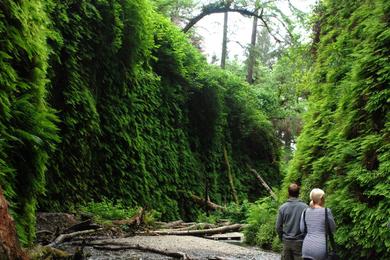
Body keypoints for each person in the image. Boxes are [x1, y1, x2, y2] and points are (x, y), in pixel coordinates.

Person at [300, 188, 336, 260]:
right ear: (321, 199)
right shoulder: (326, 211)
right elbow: (332, 228)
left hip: (306, 248)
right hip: (320, 249)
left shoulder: (305, 211)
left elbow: (302, 229)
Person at [276, 183, 308, 260]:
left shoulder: (282, 208)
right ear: (298, 193)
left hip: (286, 241)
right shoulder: (305, 207)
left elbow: (278, 227)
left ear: (288, 193)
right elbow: (308, 226)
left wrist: (282, 238)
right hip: (300, 242)